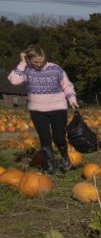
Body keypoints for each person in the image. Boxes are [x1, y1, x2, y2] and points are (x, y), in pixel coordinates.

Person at [7, 45, 79, 174]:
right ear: (29, 59)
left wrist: (72, 100)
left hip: (58, 109)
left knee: (59, 138)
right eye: (35, 62)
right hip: (37, 111)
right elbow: (13, 80)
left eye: (41, 61)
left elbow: (67, 86)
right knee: (44, 139)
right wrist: (22, 63)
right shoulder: (27, 69)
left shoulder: (55, 69)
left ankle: (65, 158)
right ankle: (51, 167)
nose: (39, 64)